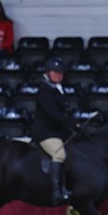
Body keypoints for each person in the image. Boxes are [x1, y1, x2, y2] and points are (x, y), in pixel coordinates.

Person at [31, 57, 75, 204]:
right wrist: (70, 122)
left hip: (58, 131)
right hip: (46, 132)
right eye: (55, 72)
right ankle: (56, 192)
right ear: (48, 73)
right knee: (59, 154)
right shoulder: (45, 90)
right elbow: (53, 114)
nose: (58, 75)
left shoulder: (58, 89)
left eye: (60, 73)